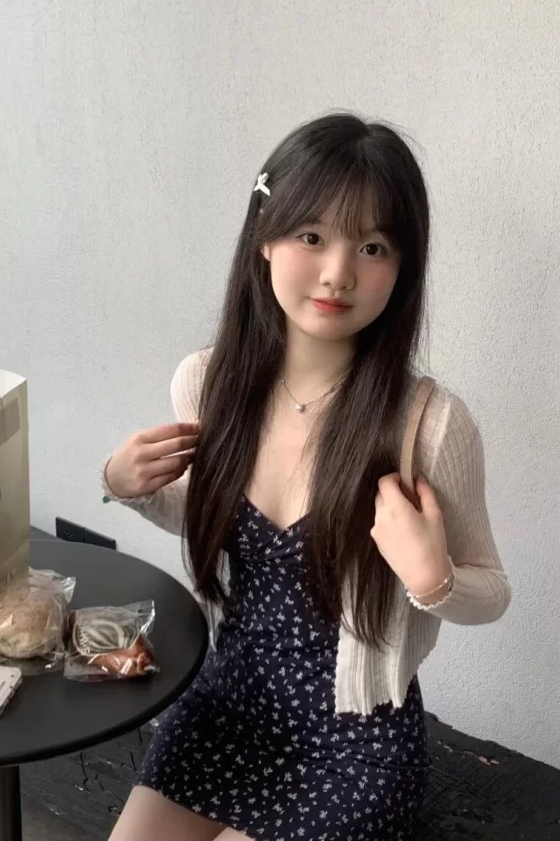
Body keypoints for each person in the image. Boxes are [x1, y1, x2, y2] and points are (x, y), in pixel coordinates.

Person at [101, 112, 512, 841]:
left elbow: (493, 591)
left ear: (403, 266)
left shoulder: (429, 425)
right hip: (231, 706)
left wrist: (435, 580)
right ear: (265, 235)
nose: (337, 273)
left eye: (373, 246)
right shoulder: (208, 382)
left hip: (356, 742)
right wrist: (126, 486)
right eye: (312, 236)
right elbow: (211, 514)